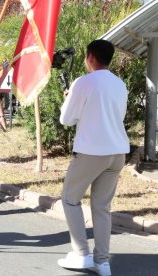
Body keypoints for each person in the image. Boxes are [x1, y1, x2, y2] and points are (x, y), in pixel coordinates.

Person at [56, 40, 128, 276]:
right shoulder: (119, 84)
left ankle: (81, 254)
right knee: (102, 207)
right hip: (117, 152)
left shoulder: (83, 82)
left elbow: (66, 119)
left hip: (91, 152)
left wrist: (68, 98)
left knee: (70, 199)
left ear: (89, 57)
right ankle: (102, 261)